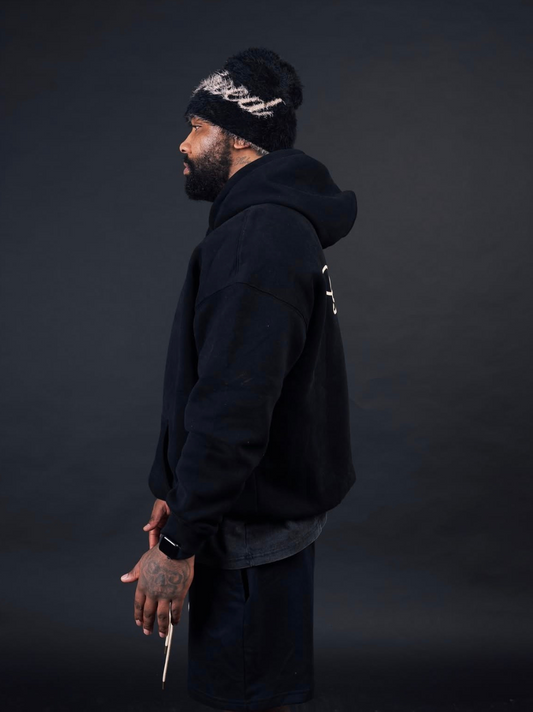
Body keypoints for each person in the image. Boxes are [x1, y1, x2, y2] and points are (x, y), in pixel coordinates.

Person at [120, 46, 358, 712]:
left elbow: (234, 408)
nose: (183, 144)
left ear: (241, 139)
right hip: (245, 516)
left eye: (197, 128)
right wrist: (177, 491)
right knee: (259, 688)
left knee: (247, 695)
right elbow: (228, 380)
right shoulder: (272, 229)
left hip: (248, 530)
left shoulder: (257, 240)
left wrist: (178, 543)